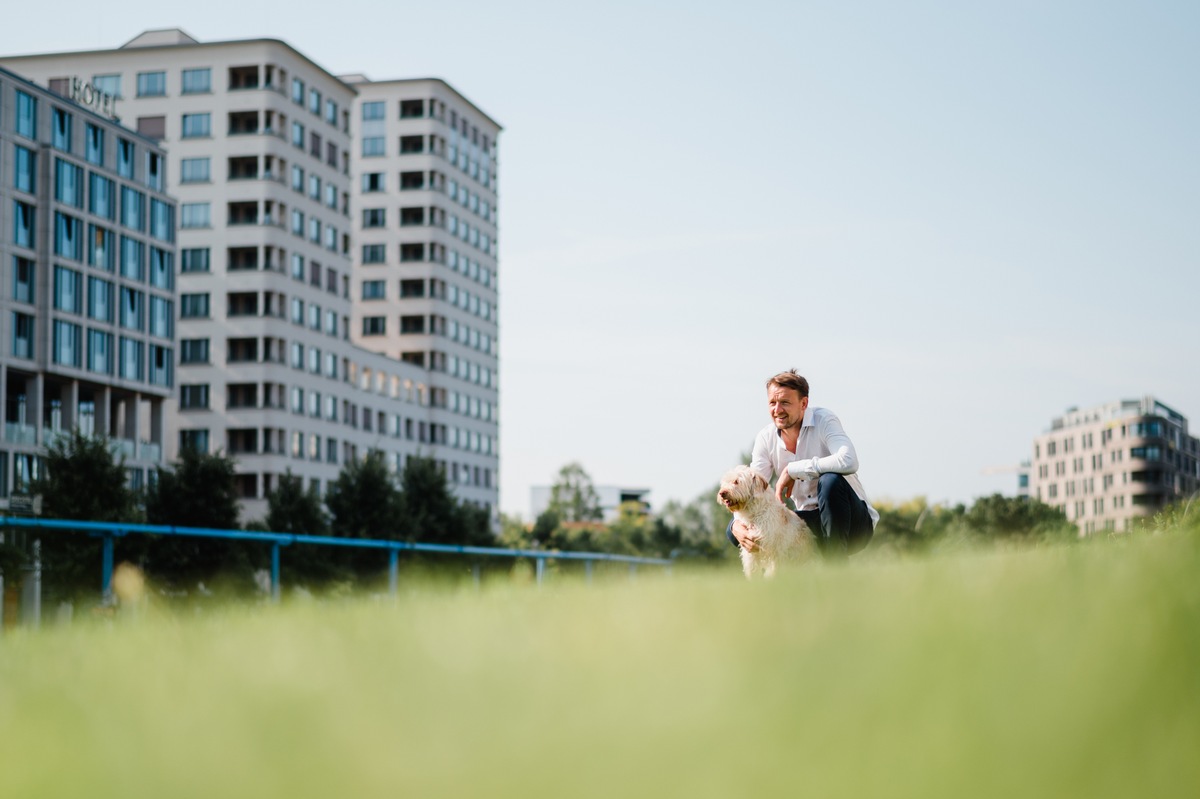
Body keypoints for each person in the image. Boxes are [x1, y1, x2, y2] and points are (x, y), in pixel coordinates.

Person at [728, 370, 877, 557]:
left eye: (785, 403)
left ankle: (836, 567)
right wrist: (735, 526)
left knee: (830, 480)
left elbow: (849, 460)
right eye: (772, 403)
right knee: (736, 532)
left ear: (804, 403)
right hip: (805, 523)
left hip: (853, 523)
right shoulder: (765, 438)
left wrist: (793, 470)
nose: (777, 410)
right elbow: (751, 490)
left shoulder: (824, 420)